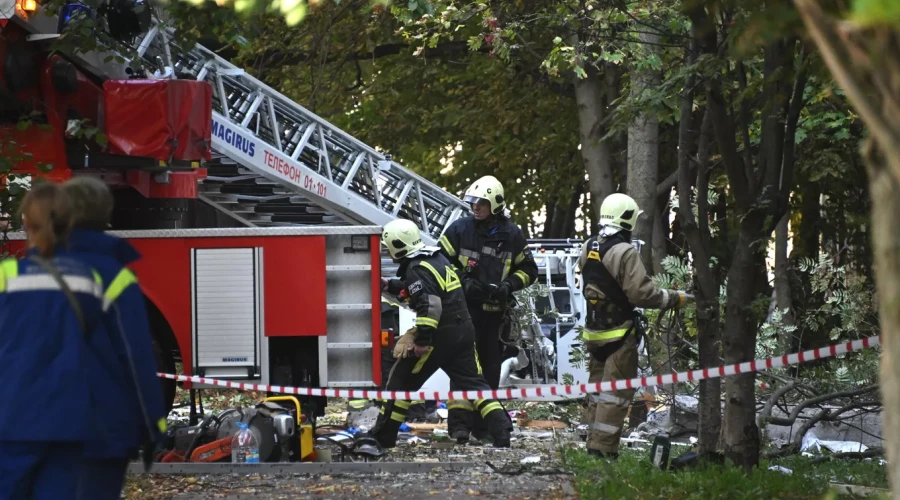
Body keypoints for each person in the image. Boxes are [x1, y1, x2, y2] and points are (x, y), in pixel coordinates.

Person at [358, 218, 512, 452]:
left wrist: (422, 341)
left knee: (400, 381)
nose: (387, 251)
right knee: (475, 385)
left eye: (388, 246)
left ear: (398, 245)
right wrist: (390, 285)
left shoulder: (416, 268)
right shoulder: (435, 258)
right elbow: (425, 287)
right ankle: (502, 430)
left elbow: (430, 305)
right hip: (463, 330)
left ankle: (383, 436)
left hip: (440, 334)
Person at [61, 176, 166, 497]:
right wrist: (152, 427)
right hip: (101, 429)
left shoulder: (26, 273)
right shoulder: (114, 277)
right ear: (105, 215)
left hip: (39, 426)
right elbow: (135, 358)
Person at [0, 182, 106, 499]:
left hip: (13, 418)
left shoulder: (6, 277)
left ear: (25, 225)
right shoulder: (89, 282)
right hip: (69, 422)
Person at [577, 193, 694, 459]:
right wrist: (676, 298)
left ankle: (592, 443)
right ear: (627, 219)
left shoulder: (588, 246)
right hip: (619, 333)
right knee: (615, 394)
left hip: (594, 333)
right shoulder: (625, 252)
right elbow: (642, 294)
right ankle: (604, 450)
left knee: (596, 390)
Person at [438, 175, 538, 443]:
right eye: (472, 202)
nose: (475, 207)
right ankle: (459, 428)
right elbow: (440, 264)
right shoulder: (459, 230)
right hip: (463, 312)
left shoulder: (512, 235)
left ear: (495, 204)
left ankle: (483, 428)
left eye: (481, 202)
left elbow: (529, 270)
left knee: (490, 372)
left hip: (494, 317)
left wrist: (508, 286)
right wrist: (465, 283)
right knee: (464, 369)